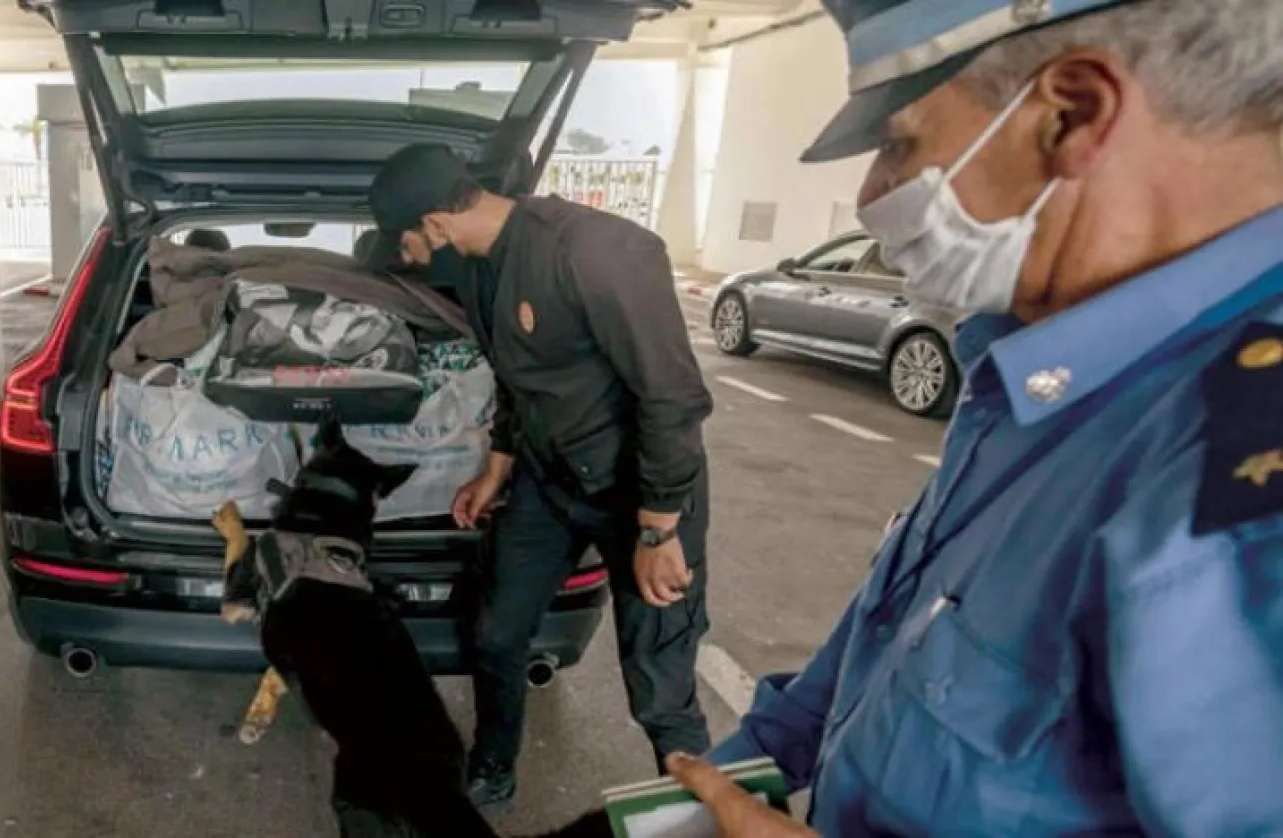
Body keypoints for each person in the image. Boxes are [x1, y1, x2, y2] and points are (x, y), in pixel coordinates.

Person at [670, 0, 1283, 835]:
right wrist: (716, 788)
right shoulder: (1041, 375)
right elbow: (890, 651)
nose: (870, 197)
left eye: (898, 145)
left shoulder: (1236, 483)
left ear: (1073, 111)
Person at [366, 144, 715, 808]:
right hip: (549, 481)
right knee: (497, 633)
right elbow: (518, 381)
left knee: (658, 682)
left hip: (644, 497)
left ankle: (699, 817)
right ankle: (493, 764)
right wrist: (496, 469)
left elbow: (673, 398)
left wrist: (658, 527)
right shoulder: (477, 268)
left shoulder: (594, 252)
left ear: (435, 223)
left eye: (405, 244)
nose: (409, 259)